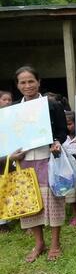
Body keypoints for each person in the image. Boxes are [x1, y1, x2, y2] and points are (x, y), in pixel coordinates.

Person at [13, 66, 68, 262]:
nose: (27, 85)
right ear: (18, 85)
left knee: (52, 201)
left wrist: (57, 143)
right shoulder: (12, 110)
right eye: (23, 82)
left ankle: (55, 243)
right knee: (30, 203)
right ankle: (39, 243)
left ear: (39, 82)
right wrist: (11, 155)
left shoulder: (52, 105)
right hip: (24, 162)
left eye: (31, 81)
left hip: (48, 158)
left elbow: (62, 132)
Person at [0, 90, 14, 233]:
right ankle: (2, 223)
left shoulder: (14, 116)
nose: (8, 102)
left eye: (9, 100)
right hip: (1, 158)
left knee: (11, 187)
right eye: (4, 99)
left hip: (11, 159)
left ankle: (11, 216)